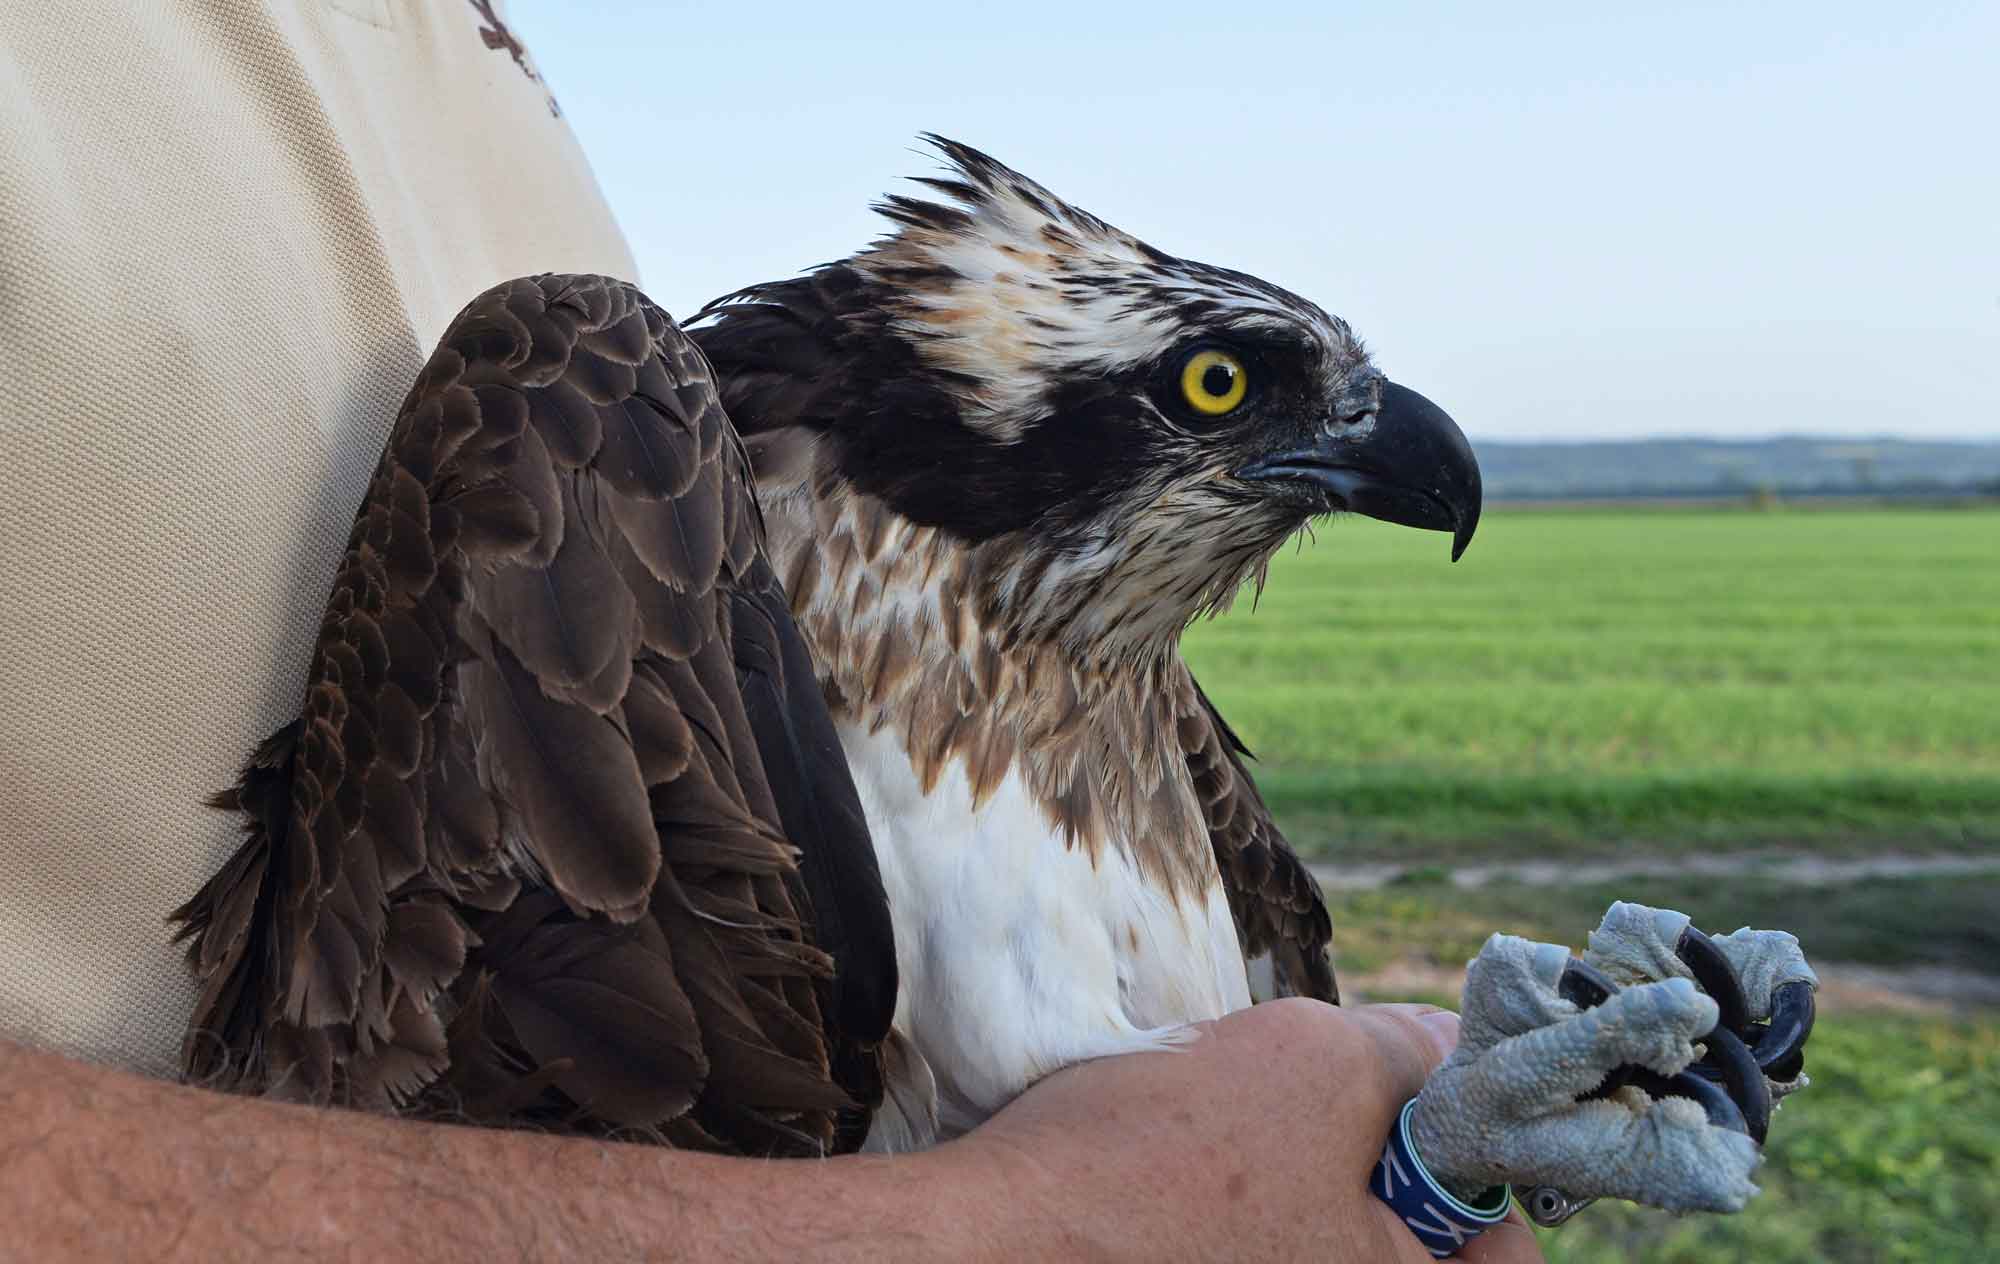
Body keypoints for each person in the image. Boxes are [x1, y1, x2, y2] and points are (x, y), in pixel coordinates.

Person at [0, 4, 1539, 1258]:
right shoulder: (593, 414)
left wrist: (1428, 1151)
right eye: (1217, 390)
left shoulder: (471, 77)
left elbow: (1201, 1159)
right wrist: (994, 1240)